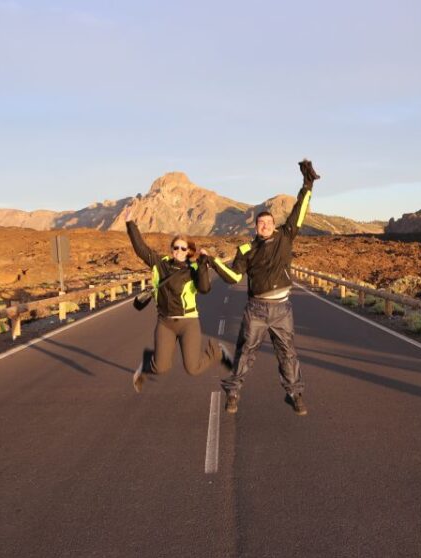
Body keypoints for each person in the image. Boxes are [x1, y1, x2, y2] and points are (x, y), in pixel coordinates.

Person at [209, 159, 319, 415]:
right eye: (261, 224)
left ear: (273, 224)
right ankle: (233, 392)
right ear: (255, 227)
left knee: (288, 354)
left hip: (282, 309)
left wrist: (308, 184)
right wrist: (213, 262)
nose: (265, 226)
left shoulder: (285, 236)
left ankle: (295, 394)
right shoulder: (246, 250)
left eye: (269, 222)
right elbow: (233, 277)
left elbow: (299, 211)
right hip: (256, 309)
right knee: (245, 352)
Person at [125, 207, 232, 392]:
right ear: (172, 249)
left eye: (184, 248)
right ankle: (146, 364)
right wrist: (130, 224)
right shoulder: (160, 264)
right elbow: (141, 249)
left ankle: (217, 352)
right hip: (165, 322)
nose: (179, 251)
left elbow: (205, 289)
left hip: (188, 322)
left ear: (190, 251)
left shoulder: (194, 269)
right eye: (176, 247)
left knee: (193, 368)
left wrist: (204, 265)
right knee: (161, 367)